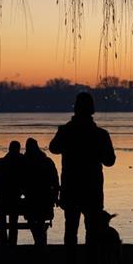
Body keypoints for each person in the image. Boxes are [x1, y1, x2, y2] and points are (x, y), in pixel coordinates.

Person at [49, 92, 116, 245]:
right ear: (92, 110)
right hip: (93, 189)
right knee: (92, 231)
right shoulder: (100, 135)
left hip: (71, 187)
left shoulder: (66, 131)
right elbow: (110, 161)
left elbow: (53, 148)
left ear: (76, 109)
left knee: (70, 229)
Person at [22, 138, 60, 246]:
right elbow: (55, 181)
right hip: (45, 198)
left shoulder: (25, 162)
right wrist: (55, 195)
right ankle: (40, 243)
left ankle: (39, 242)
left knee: (33, 220)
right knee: (41, 221)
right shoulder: (47, 161)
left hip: (31, 198)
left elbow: (21, 180)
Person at [0, 140, 24, 245]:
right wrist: (21, 191)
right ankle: (12, 244)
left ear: (9, 149)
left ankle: (3, 244)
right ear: (18, 149)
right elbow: (27, 179)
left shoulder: (1, 162)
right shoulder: (22, 162)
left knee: (2, 223)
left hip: (1, 197)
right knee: (14, 222)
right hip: (15, 196)